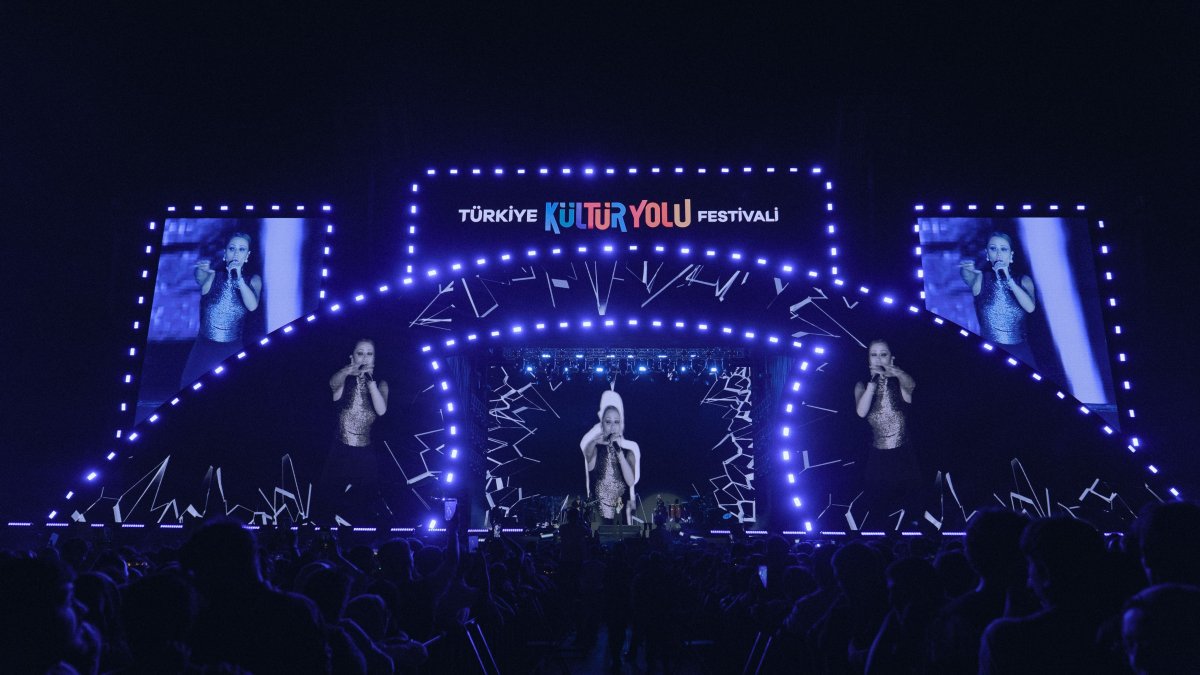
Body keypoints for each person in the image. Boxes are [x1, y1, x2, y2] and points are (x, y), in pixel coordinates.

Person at [179, 232, 263, 387]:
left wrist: (238, 280)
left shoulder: (253, 280)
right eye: (232, 248)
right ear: (225, 254)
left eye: (241, 249)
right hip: (204, 348)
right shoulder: (212, 277)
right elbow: (199, 276)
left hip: (232, 348)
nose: (236, 253)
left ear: (247, 255)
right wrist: (201, 271)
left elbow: (252, 306)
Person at [853, 340, 921, 528]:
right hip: (878, 457)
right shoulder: (862, 385)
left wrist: (896, 372)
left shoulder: (899, 382)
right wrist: (873, 385)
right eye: (873, 355)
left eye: (883, 354)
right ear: (868, 359)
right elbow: (861, 411)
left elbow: (911, 387)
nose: (878, 359)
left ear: (891, 358)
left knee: (907, 507)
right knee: (877, 509)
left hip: (903, 455)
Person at [322, 339, 389, 525]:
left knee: (366, 499)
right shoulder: (345, 379)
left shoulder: (381, 383)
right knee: (332, 497)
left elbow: (381, 410)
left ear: (375, 357)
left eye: (369, 354)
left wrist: (370, 383)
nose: (365, 358)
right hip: (340, 449)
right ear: (352, 356)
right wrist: (346, 370)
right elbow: (333, 385)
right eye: (360, 353)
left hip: (365, 451)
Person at [959, 232, 1038, 367]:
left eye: (1003, 249)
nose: (998, 254)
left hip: (1021, 353)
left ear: (1011, 255)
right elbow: (966, 274)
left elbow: (1030, 308)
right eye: (993, 249)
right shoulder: (981, 279)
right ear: (987, 254)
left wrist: (1008, 279)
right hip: (990, 352)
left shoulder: (1023, 280)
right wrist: (967, 268)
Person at [579, 388, 641, 525]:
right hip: (599, 514)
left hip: (620, 512)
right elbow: (587, 455)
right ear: (602, 425)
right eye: (608, 422)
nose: (612, 426)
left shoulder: (628, 452)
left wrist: (619, 453)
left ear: (621, 425)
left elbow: (630, 481)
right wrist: (595, 440)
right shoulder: (596, 449)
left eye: (616, 422)